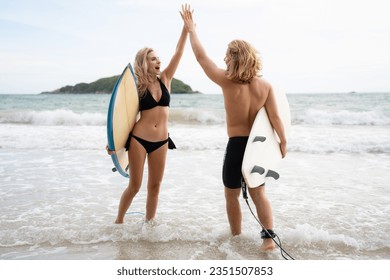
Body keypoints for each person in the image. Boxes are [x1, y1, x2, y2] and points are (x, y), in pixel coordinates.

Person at [180, 4, 287, 251]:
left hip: (237, 144)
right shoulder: (265, 86)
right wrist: (283, 143)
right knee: (259, 193)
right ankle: (268, 241)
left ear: (235, 56)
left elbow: (200, 56)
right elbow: (276, 119)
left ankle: (236, 237)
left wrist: (191, 30)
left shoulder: (226, 81)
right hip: (258, 146)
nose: (224, 58)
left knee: (231, 195)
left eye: (227, 54)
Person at [110, 22, 188, 224]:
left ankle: (149, 225)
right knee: (135, 186)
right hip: (139, 140)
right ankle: (118, 222)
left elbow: (178, 52)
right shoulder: (137, 87)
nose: (158, 61)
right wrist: (115, 144)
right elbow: (123, 118)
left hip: (161, 141)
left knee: (155, 187)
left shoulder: (166, 79)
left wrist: (186, 30)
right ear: (144, 62)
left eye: (158, 58)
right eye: (153, 58)